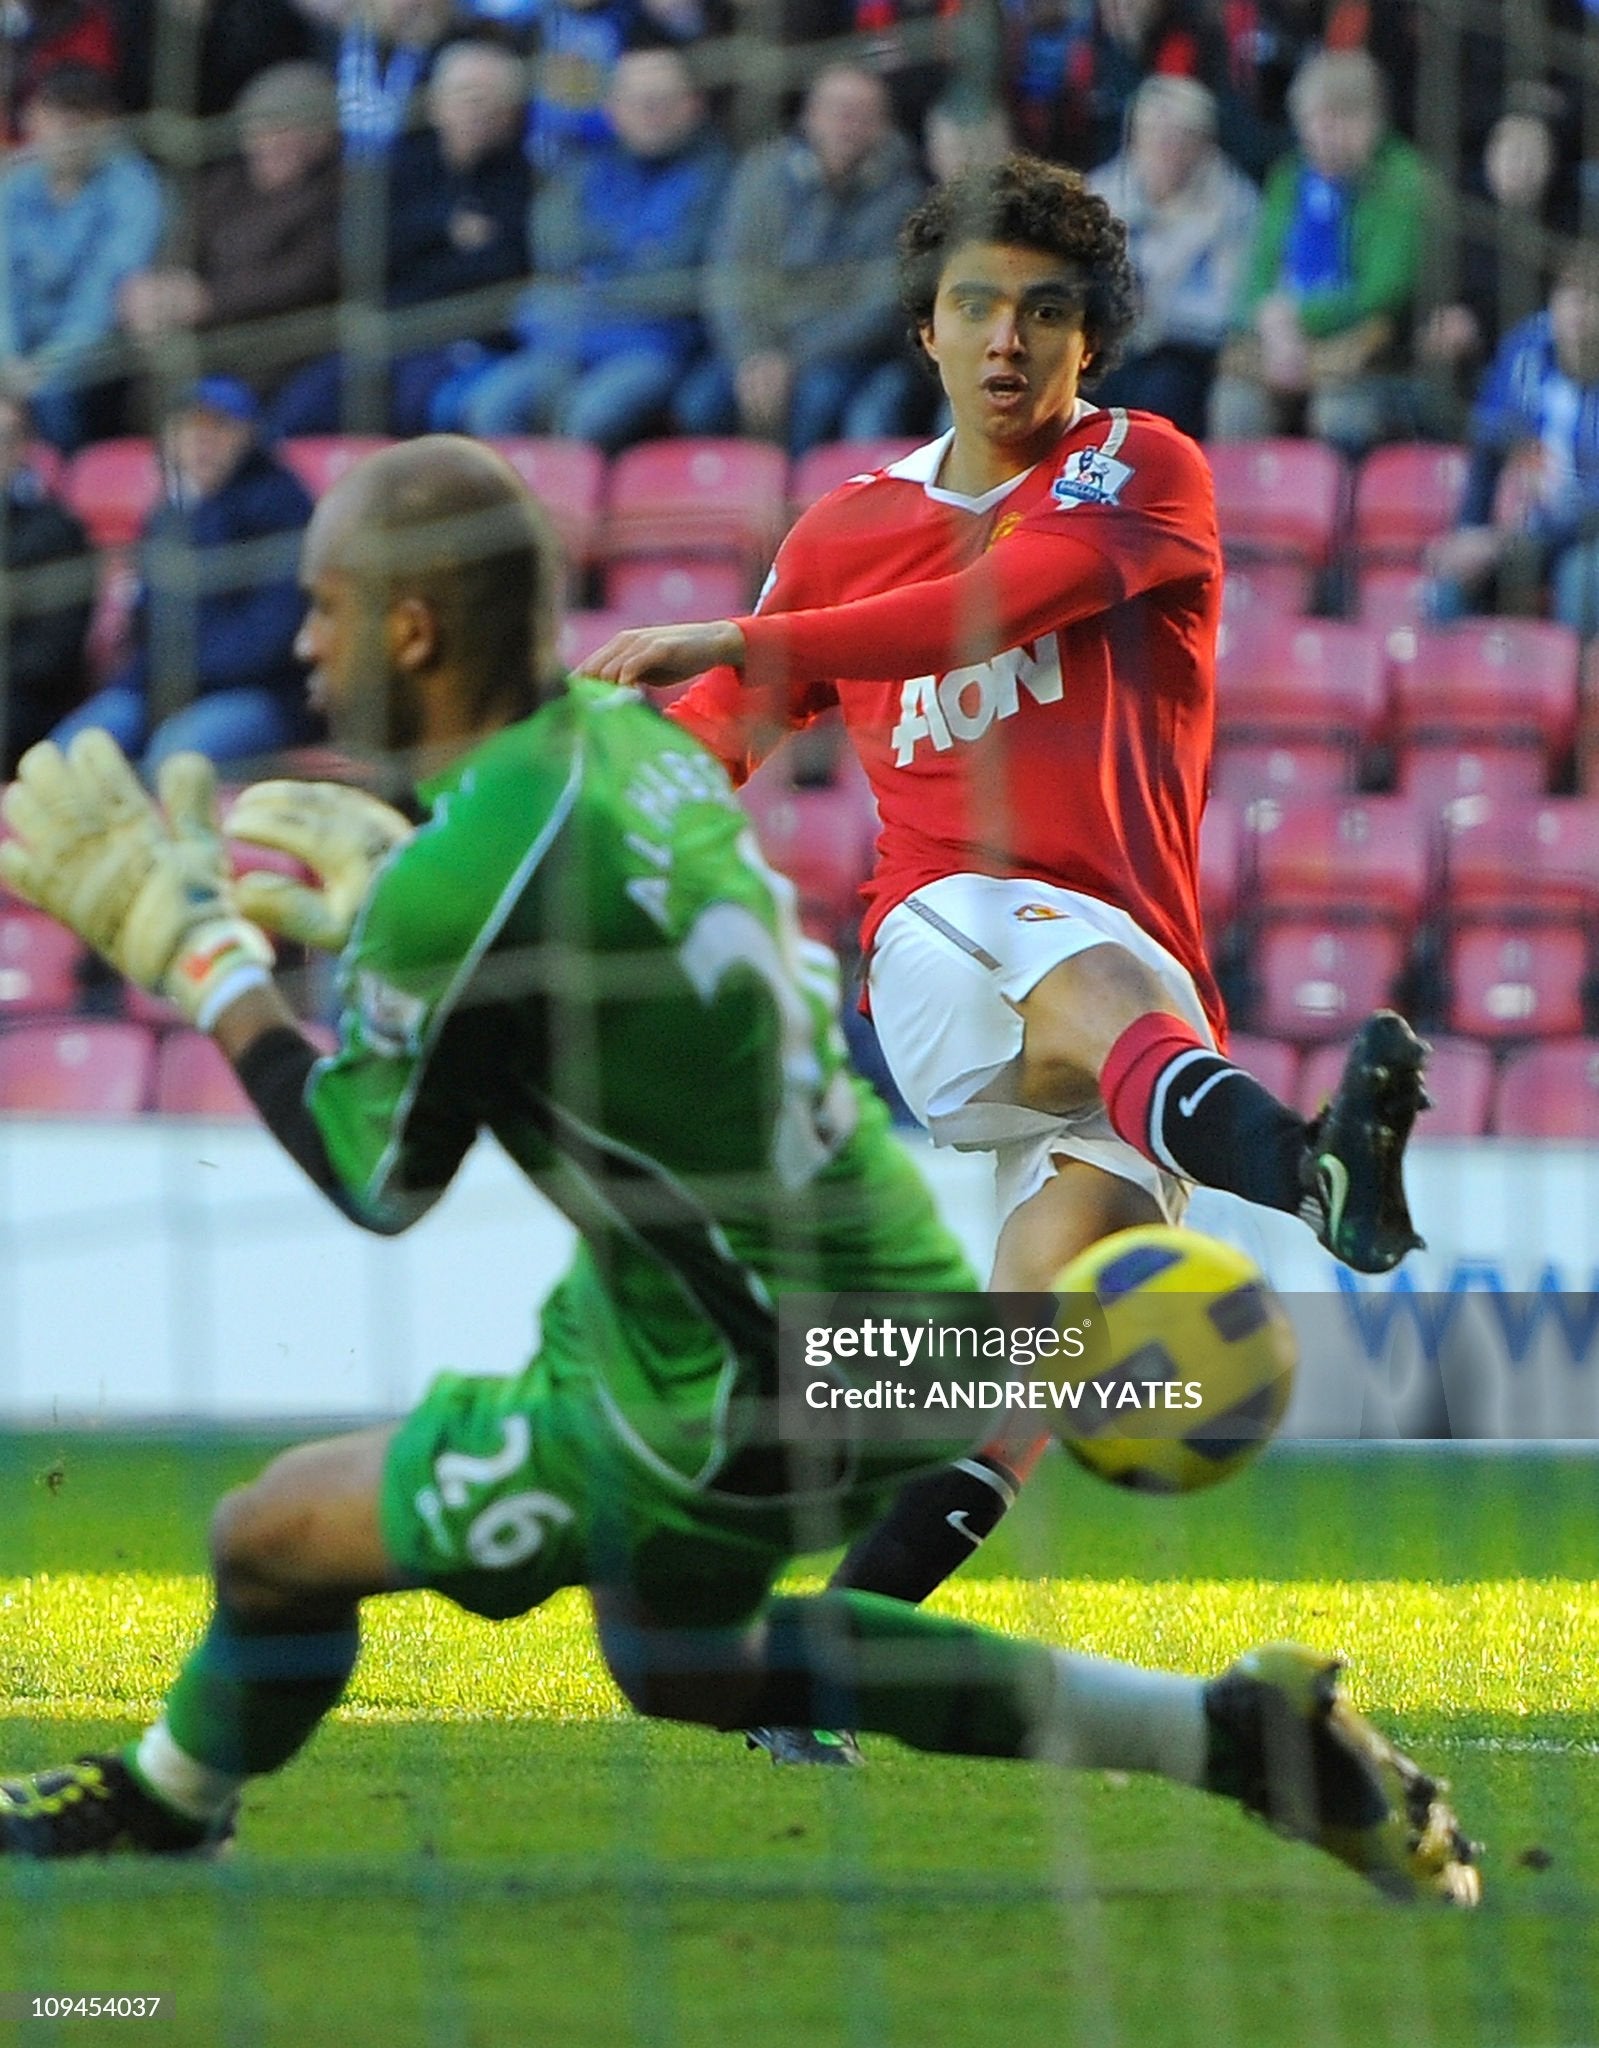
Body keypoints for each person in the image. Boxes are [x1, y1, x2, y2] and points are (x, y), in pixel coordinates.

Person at [0, 434, 1476, 1909]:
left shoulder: (483, 867)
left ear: (410, 629)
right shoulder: (625, 753)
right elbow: (543, 925)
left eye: (323, 610)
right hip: (847, 1298)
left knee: (266, 1540)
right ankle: (1232, 1725)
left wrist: (204, 966)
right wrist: (404, 890)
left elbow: (374, 1179)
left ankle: (166, 1802)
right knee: (683, 1659)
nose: (303, 646)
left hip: (718, 1382)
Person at [583, 154, 1432, 1751]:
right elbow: (717, 738)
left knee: (1027, 1358)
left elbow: (995, 604)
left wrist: (738, 630)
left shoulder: (1143, 471)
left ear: (1087, 346)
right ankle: (1312, 1166)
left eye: (1046, 313)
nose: (1007, 340)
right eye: (976, 305)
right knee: (1072, 972)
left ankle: (814, 1647)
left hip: (1135, 1004)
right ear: (923, 327)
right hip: (945, 938)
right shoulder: (842, 534)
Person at [439, 47, 731, 451]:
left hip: (654, 346)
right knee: (490, 407)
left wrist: (595, 274)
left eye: (663, 100)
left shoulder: (716, 176)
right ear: (612, 109)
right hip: (568, 338)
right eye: (638, 101)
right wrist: (632, 260)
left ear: (694, 106)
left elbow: (677, 275)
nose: (651, 111)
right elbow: (555, 251)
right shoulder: (586, 168)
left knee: (586, 417)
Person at [266, 37, 533, 439]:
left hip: (465, 342)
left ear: (512, 113)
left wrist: (423, 251)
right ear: (434, 103)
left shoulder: (523, 182)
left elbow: (500, 268)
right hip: (388, 334)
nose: (478, 111)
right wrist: (445, 230)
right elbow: (366, 253)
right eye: (466, 97)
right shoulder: (402, 170)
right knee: (301, 406)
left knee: (412, 409)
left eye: (491, 101)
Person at [51, 376, 317, 770]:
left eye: (219, 427)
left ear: (251, 435)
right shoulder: (165, 516)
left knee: (174, 762)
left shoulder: (286, 510)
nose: (201, 441)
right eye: (188, 428)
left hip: (259, 694)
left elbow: (274, 638)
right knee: (63, 758)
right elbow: (146, 624)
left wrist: (176, 674)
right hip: (160, 690)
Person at [676, 64, 927, 458]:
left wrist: (791, 361)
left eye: (861, 113)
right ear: (810, 115)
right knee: (698, 404)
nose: (847, 124)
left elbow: (878, 310)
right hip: (755, 350)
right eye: (836, 110)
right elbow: (727, 274)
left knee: (816, 403)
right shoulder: (760, 175)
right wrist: (752, 355)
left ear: (883, 125)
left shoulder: (903, 196)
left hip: (842, 357)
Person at [1207, 47, 1432, 456]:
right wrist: (1270, 322)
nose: (1318, 136)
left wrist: (1296, 317)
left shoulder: (1404, 181)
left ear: (1368, 121)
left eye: (1333, 121)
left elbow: (1386, 290)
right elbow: (1258, 272)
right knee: (1235, 404)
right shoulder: (1290, 175)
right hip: (1280, 343)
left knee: (1339, 415)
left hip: (1370, 350)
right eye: (1310, 122)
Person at [116, 61, 343, 413]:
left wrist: (208, 300)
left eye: (286, 128)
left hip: (279, 348)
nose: (269, 141)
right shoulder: (224, 185)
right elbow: (180, 247)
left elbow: (303, 279)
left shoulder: (338, 192)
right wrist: (156, 292)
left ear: (321, 135)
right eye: (260, 127)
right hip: (198, 334)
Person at [1424, 249, 1599, 638]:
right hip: (1531, 532)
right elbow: (1488, 448)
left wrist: (1502, 544)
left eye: (1593, 298)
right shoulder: (1526, 351)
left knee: (1583, 579)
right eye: (1571, 295)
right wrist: (1470, 532)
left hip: (1586, 538)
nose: (1581, 313)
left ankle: (1580, 691)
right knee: (1451, 579)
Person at [0, 63, 165, 452]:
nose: (65, 132)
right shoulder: (15, 185)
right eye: (54, 117)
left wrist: (40, 372)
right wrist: (7, 363)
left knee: (57, 398)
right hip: (15, 356)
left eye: (79, 120)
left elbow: (101, 295)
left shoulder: (133, 188)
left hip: (92, 362)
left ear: (106, 125)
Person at [1086, 74, 1260, 440]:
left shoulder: (1235, 204)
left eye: (1181, 138)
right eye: (1153, 136)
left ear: (1204, 144)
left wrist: (1157, 310)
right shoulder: (1099, 195)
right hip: (1112, 343)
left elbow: (1232, 306)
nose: (1166, 149)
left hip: (1193, 350)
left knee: (1161, 395)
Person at [0, 391, 95, 772]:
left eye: (5, 438)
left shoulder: (55, 532)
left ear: (25, 448)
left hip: (24, 701)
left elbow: (51, 656)